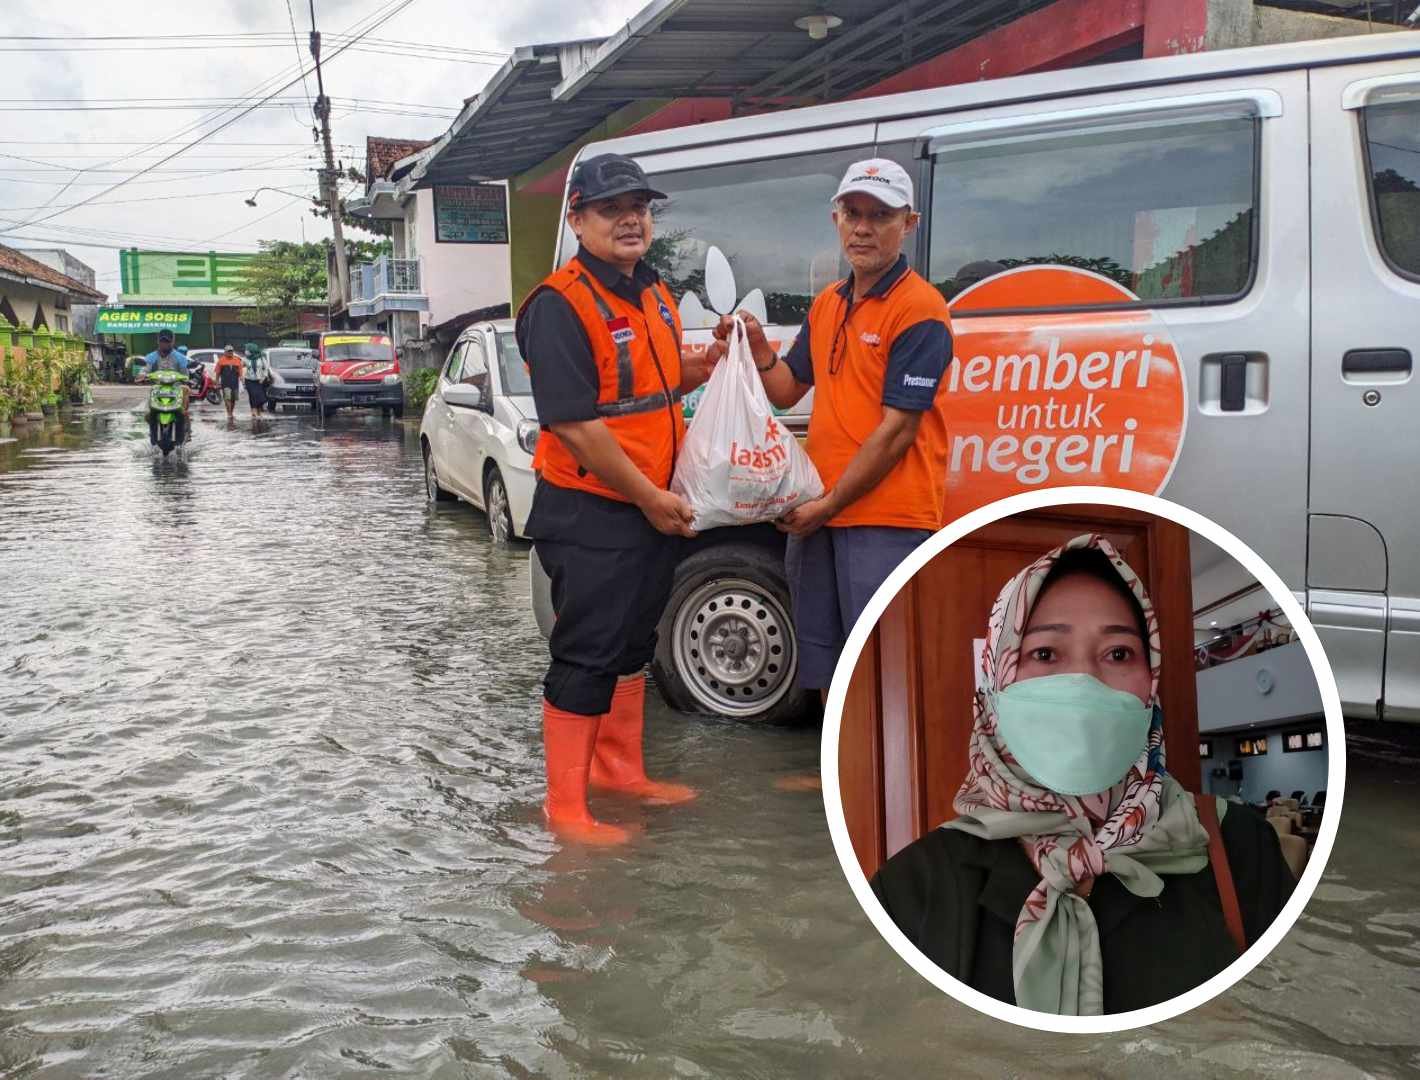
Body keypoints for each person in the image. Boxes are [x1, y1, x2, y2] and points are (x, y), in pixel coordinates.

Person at [869, 535, 1295, 1016]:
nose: (1084, 681)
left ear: (1150, 682)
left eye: (1117, 654)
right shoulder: (912, 889)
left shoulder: (1237, 848)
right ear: (994, 683)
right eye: (1046, 654)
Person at [515, 152, 712, 845]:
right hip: (591, 510)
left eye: (641, 207)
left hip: (649, 504)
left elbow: (649, 387)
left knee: (633, 647)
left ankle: (619, 774)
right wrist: (649, 498)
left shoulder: (653, 291)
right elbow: (575, 423)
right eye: (611, 209)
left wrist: (707, 364)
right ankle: (564, 809)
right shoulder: (558, 305)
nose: (631, 219)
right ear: (577, 219)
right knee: (586, 652)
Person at [708, 158, 953, 696]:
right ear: (836, 217)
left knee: (880, 666)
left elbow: (897, 432)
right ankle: (830, 772)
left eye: (880, 216)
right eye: (853, 213)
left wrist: (829, 503)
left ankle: (871, 781)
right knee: (823, 659)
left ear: (907, 223)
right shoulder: (828, 305)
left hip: (887, 517)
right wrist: (757, 349)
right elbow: (787, 389)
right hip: (819, 510)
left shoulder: (920, 310)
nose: (863, 228)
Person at [141, 329, 190, 447]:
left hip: (176, 389)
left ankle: (186, 430)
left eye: (167, 341)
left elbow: (185, 373)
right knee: (148, 414)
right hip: (157, 389)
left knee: (183, 411)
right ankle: (152, 435)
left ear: (172, 342)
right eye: (162, 341)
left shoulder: (180, 358)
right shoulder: (151, 357)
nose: (165, 344)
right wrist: (142, 374)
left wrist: (187, 379)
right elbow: (145, 369)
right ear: (158, 341)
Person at [213, 344, 243, 420]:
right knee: (227, 398)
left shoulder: (237, 360)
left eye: (231, 351)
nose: (230, 353)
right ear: (225, 352)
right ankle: (229, 413)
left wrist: (242, 379)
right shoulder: (221, 360)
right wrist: (216, 382)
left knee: (233, 399)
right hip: (225, 383)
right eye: (228, 351)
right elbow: (217, 372)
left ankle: (231, 412)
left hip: (235, 383)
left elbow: (240, 371)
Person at [243, 345, 270, 415]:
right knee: (253, 395)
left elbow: (266, 368)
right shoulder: (245, 359)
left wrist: (263, 377)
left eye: (247, 350)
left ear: (252, 350)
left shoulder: (261, 358)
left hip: (259, 380)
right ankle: (253, 411)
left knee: (260, 397)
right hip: (249, 380)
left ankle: (258, 411)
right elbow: (240, 367)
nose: (246, 351)